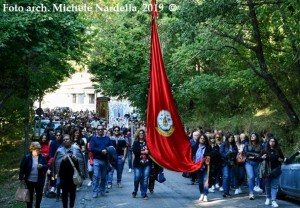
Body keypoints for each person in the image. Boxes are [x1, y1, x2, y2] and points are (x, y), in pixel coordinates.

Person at [19, 142, 48, 208]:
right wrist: (21, 176)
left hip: (39, 181)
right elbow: (22, 167)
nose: (40, 150)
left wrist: (42, 166)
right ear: (33, 149)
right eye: (38, 148)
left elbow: (46, 166)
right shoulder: (27, 157)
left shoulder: (42, 157)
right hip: (29, 181)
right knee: (29, 198)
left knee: (39, 197)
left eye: (40, 148)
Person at [57, 134, 81, 208]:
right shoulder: (59, 150)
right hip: (64, 176)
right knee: (64, 194)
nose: (65, 141)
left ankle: (71, 206)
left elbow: (81, 162)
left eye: (67, 139)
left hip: (73, 176)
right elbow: (57, 163)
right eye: (64, 140)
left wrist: (76, 160)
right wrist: (63, 160)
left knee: (72, 194)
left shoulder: (76, 149)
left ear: (70, 140)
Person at [90, 125, 112, 198]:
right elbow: (92, 148)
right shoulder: (93, 139)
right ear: (96, 130)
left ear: (103, 130)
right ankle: (95, 191)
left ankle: (102, 190)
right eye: (98, 129)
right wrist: (101, 151)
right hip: (96, 159)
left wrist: (106, 150)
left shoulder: (107, 138)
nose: (100, 130)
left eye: (101, 129)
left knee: (103, 177)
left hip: (105, 160)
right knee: (96, 176)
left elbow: (111, 147)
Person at [261, 137, 284, 208]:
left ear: (275, 142)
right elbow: (259, 159)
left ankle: (273, 200)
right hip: (266, 172)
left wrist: (281, 159)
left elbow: (282, 158)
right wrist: (262, 157)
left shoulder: (278, 150)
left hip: (276, 171)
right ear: (268, 142)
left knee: (274, 186)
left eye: (273, 141)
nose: (272, 142)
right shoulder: (265, 150)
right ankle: (268, 198)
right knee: (267, 186)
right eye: (271, 141)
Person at [192, 133, 213, 202]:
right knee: (200, 182)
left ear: (205, 140)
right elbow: (191, 154)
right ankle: (201, 193)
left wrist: (209, 156)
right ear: (199, 139)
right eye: (201, 138)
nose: (202, 140)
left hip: (205, 166)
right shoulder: (195, 146)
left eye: (203, 138)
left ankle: (205, 195)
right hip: (198, 167)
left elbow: (212, 153)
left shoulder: (208, 147)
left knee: (205, 181)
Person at [132, 129, 150, 200]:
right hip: (137, 164)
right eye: (140, 133)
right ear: (138, 135)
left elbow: (151, 151)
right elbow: (135, 151)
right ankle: (135, 191)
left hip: (147, 164)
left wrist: (148, 152)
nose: (141, 134)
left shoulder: (147, 142)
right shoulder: (136, 142)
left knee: (145, 179)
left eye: (142, 133)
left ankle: (144, 193)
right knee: (137, 178)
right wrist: (144, 152)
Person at [244, 132, 263, 200]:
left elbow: (261, 154)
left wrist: (254, 156)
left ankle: (256, 186)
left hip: (257, 163)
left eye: (254, 136)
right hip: (248, 162)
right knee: (251, 177)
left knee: (256, 176)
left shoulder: (260, 145)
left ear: (256, 137)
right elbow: (246, 153)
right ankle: (251, 193)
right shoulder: (247, 144)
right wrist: (255, 155)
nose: (252, 137)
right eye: (251, 136)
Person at [220, 133, 238, 197]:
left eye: (232, 137)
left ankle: (227, 192)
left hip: (232, 163)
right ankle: (225, 192)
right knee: (226, 176)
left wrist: (233, 155)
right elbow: (221, 153)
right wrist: (227, 156)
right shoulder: (223, 144)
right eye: (229, 137)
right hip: (225, 162)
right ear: (227, 138)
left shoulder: (234, 146)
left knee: (229, 177)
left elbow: (236, 153)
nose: (231, 138)